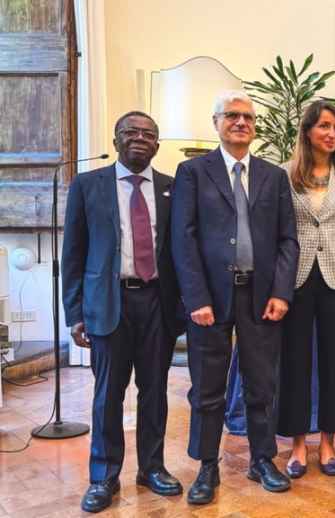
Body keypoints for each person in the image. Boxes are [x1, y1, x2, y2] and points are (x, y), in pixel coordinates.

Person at [171, 91, 299, 503]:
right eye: (232, 116)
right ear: (216, 123)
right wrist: (195, 298)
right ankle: (207, 466)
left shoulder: (273, 176)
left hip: (261, 297)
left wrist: (282, 291)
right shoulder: (193, 172)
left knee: (262, 384)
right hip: (209, 298)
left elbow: (287, 239)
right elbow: (183, 239)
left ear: (255, 125)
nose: (240, 122)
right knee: (208, 388)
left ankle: (263, 459)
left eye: (247, 116)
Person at [62, 111, 185, 512]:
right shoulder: (87, 186)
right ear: (115, 140)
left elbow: (182, 251)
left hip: (157, 303)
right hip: (107, 302)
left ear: (157, 144)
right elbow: (74, 254)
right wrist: (74, 312)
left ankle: (152, 467)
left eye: (148, 133)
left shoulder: (172, 187)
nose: (139, 138)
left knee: (155, 392)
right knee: (107, 394)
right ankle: (104, 476)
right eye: (130, 132)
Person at [277, 101, 335, 478]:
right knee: (295, 362)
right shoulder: (284, 176)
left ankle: (327, 443)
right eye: (324, 126)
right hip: (294, 280)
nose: (331, 134)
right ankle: (297, 445)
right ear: (307, 131)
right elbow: (279, 230)